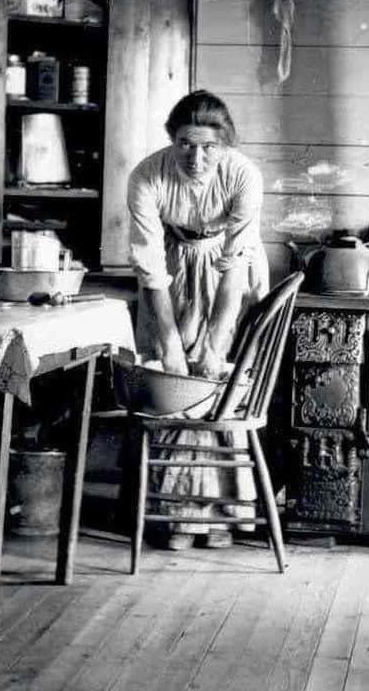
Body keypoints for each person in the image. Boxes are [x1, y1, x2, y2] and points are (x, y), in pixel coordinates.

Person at [127, 89, 269, 550]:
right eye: (186, 143)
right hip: (172, 268)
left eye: (209, 146)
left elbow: (235, 267)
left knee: (215, 381)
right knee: (174, 380)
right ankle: (177, 516)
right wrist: (170, 347)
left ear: (225, 144)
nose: (197, 157)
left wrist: (216, 343)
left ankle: (224, 515)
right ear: (172, 139)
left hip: (231, 269)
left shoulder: (243, 175)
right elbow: (151, 270)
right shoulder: (148, 176)